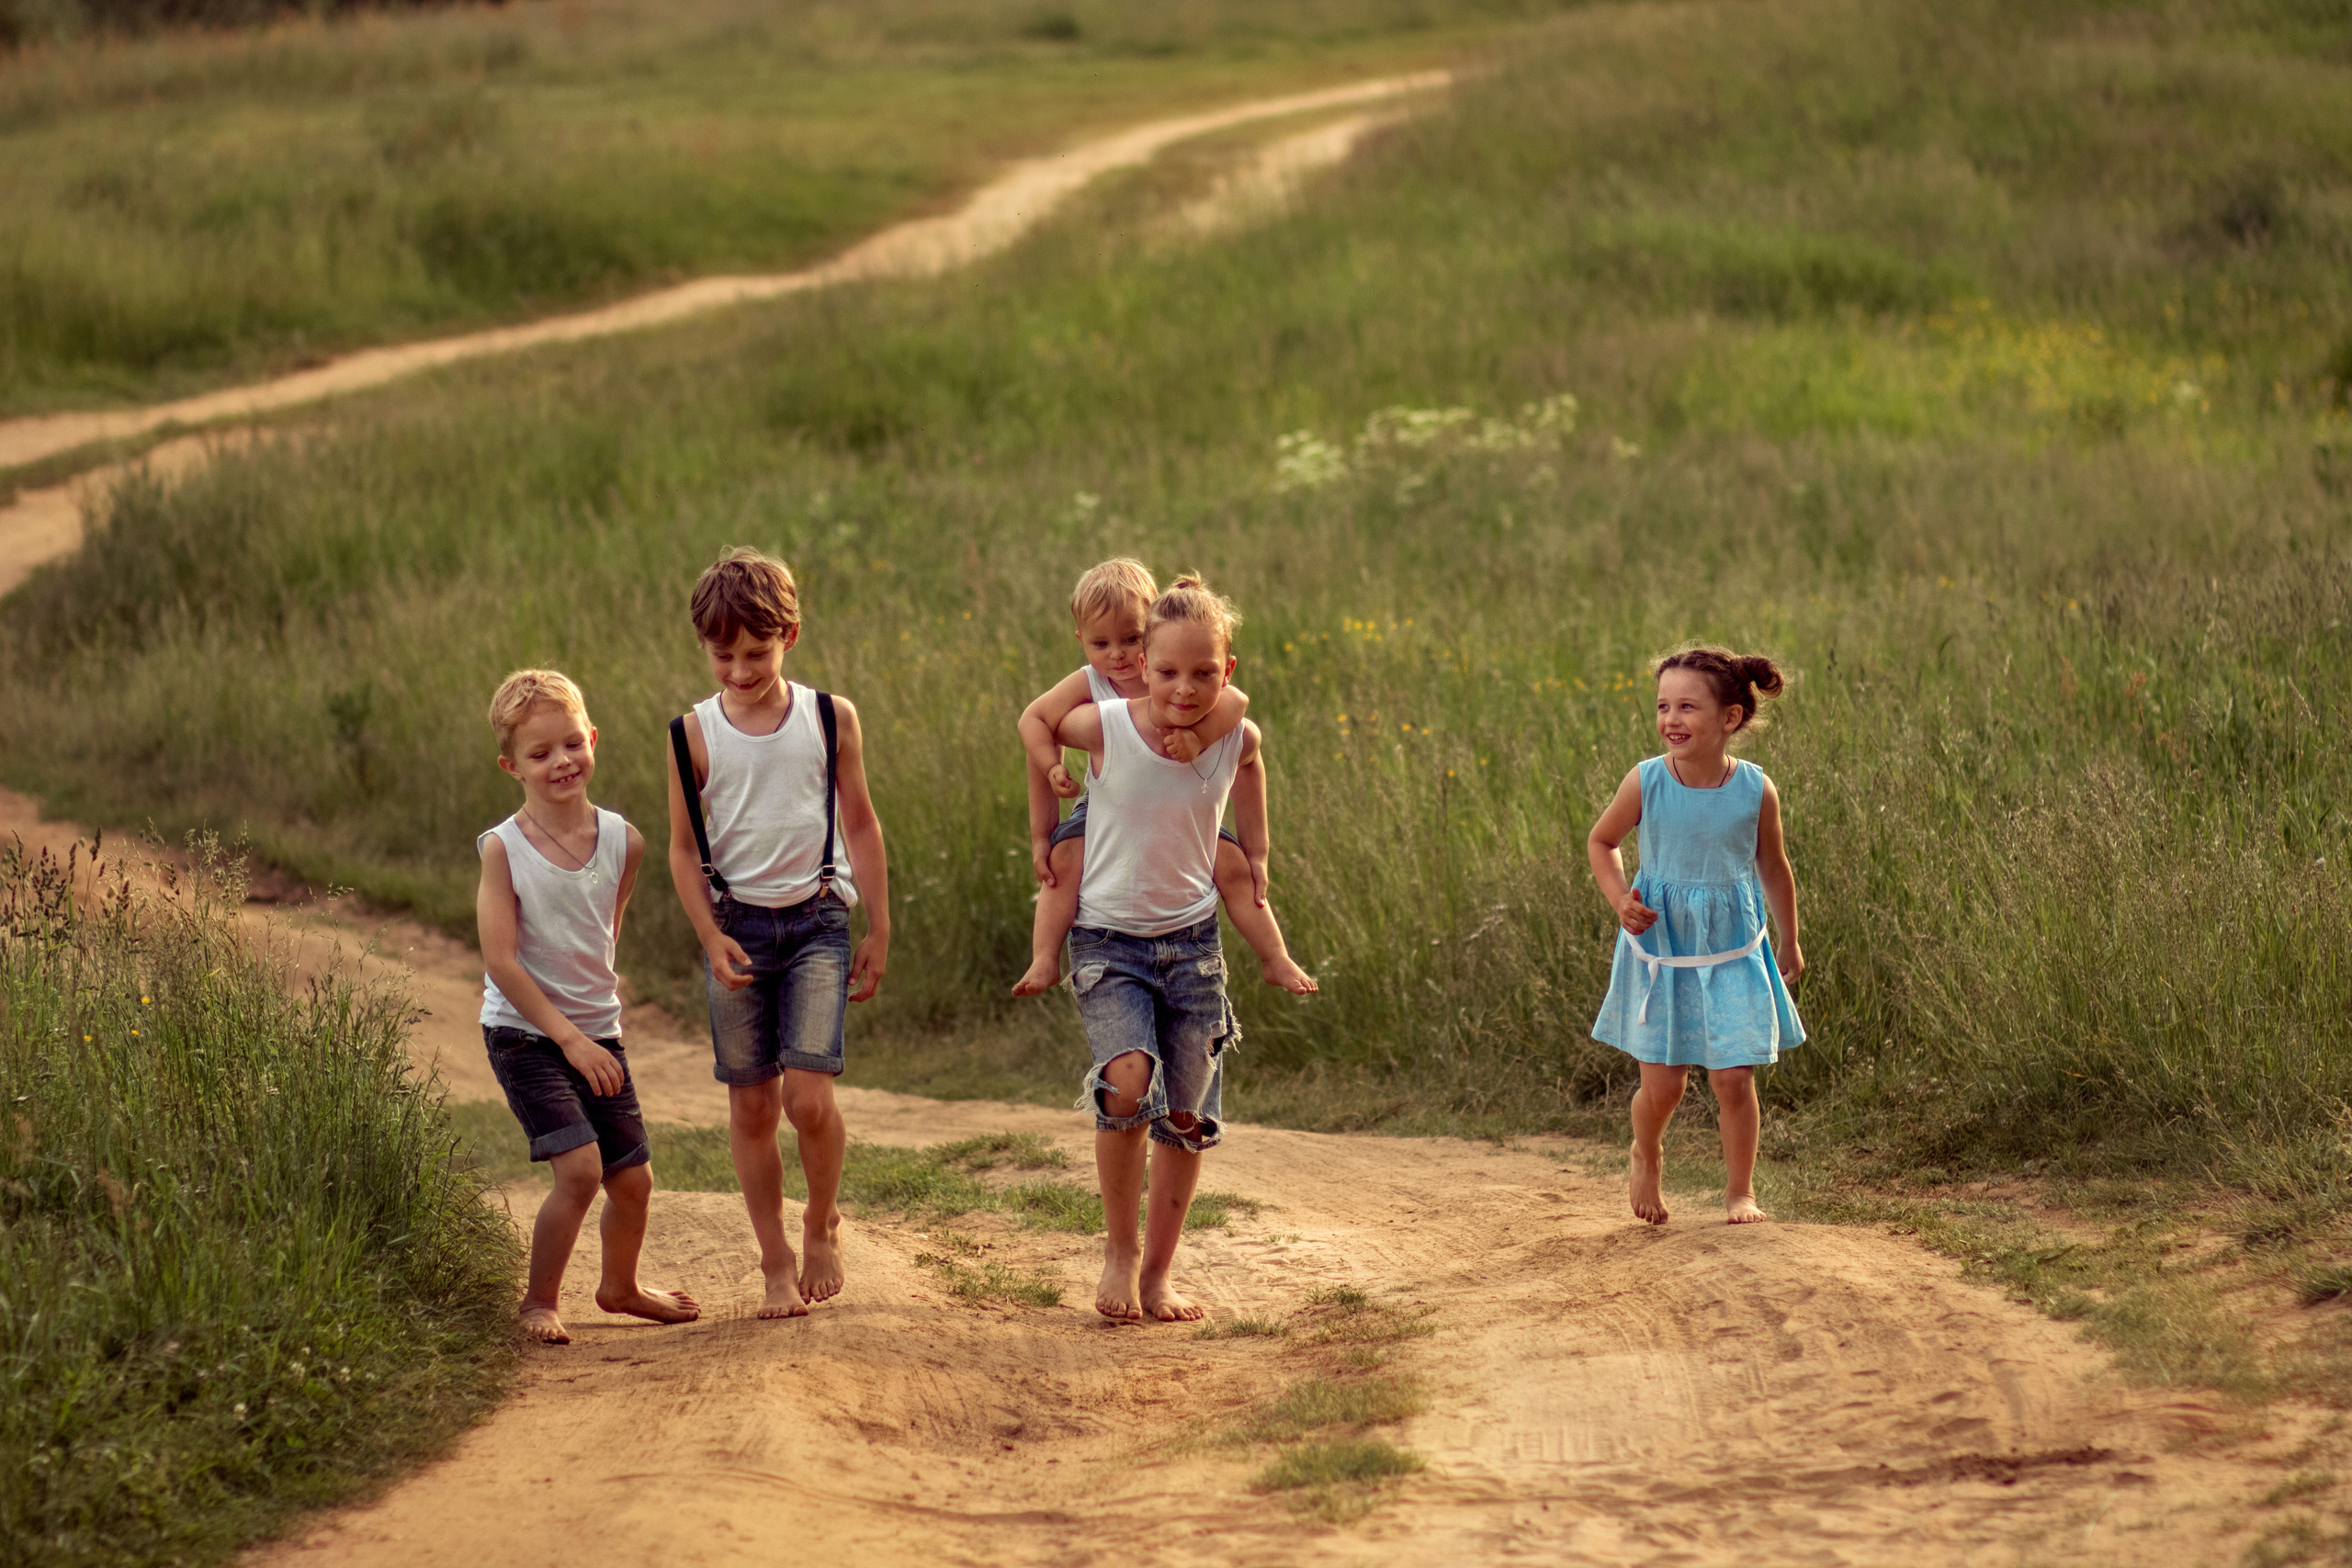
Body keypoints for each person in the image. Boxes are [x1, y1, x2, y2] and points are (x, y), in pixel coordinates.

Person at [1046, 575, 1286, 1321]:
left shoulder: (1231, 735)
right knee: (1126, 1077)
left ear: (1227, 672)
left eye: (1204, 673)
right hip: (1106, 942)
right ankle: (1117, 1254)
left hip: (1193, 949)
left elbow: (1251, 757)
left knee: (1185, 1117)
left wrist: (1260, 849)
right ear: (1139, 668)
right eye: (1168, 671)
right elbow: (1040, 722)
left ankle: (1157, 1276)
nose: (1185, 689)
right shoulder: (1108, 726)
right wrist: (1043, 808)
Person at [667, 547, 890, 1318]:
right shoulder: (690, 734)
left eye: (755, 652)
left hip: (819, 921)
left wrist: (879, 927)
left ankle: (821, 1218)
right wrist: (707, 932)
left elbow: (859, 821)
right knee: (753, 1108)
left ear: (790, 634)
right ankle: (774, 1260)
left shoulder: (830, 718)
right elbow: (683, 848)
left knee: (808, 1099)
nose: (738, 668)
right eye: (722, 653)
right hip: (735, 927)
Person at [476, 668, 699, 1344]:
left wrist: (594, 1019)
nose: (561, 761)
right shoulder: (502, 849)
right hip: (526, 1033)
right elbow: (501, 961)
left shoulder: (624, 841)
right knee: (580, 1169)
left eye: (572, 744)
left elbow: (606, 931)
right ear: (511, 765)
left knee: (634, 1181)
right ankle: (539, 1303)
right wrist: (568, 1038)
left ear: (593, 739)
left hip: (598, 1032)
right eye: (540, 754)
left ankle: (620, 1287)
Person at [1012, 558, 1314, 998]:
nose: (1116, 654)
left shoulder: (1182, 666)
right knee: (1065, 858)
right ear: (1082, 641)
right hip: (1110, 805)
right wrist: (1046, 812)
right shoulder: (1090, 683)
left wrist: (1198, 737)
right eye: (1100, 643)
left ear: (1150, 633)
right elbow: (1035, 720)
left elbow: (1238, 705)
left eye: (1130, 638)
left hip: (1182, 807)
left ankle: (1275, 957)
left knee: (1234, 866)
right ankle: (1044, 957)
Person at [1587, 645, 1805, 1226]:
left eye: (1687, 707)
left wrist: (1788, 940)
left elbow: (1774, 867)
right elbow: (1601, 842)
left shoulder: (1757, 790)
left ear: (1730, 718)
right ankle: (1647, 1151)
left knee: (1733, 1076)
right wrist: (1620, 900)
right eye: (1663, 706)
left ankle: (1740, 1191)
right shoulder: (1647, 781)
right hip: (1663, 950)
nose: (1670, 720)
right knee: (1664, 1088)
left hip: (1734, 947)